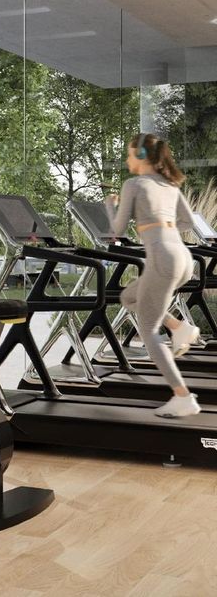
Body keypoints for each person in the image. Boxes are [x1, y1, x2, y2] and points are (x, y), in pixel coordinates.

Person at [105, 133, 201, 418]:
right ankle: (179, 328)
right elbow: (187, 222)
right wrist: (160, 227)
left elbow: (117, 230)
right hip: (183, 258)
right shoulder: (170, 186)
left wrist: (109, 206)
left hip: (162, 258)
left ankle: (183, 397)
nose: (127, 160)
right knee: (127, 297)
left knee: (148, 330)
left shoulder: (133, 184)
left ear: (141, 155)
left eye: (129, 154)